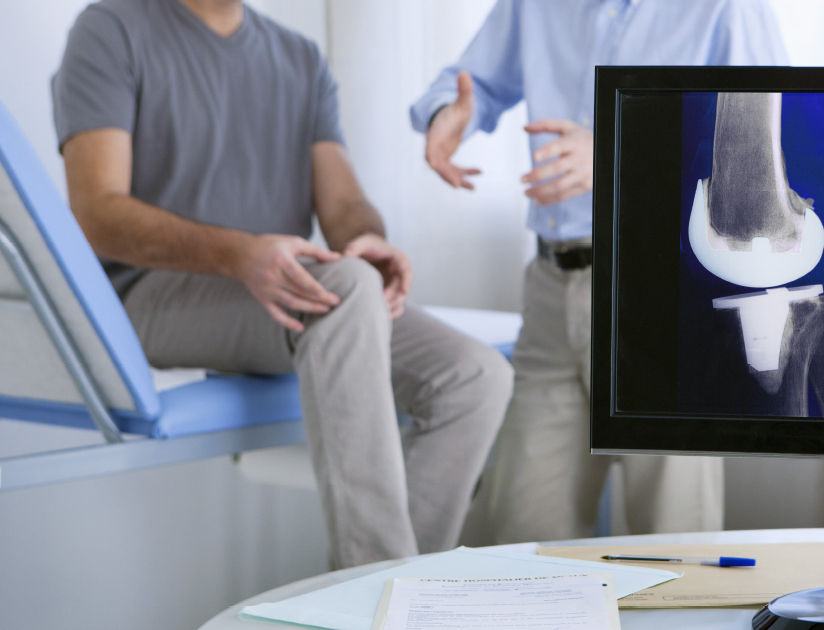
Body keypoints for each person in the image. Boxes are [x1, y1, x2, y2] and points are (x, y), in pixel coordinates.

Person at [52, 0, 513, 569]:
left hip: (282, 294)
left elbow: (343, 202)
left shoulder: (300, 58)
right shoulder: (112, 28)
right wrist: (239, 253)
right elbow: (96, 213)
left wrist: (369, 240)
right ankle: (370, 587)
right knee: (342, 291)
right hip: (151, 298)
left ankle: (392, 593)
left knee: (473, 376)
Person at [411, 0, 790, 544]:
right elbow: (475, 82)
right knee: (523, 545)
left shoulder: (726, 7)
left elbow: (765, 138)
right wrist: (447, 111)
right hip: (550, 286)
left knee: (674, 544)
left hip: (663, 286)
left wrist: (621, 146)